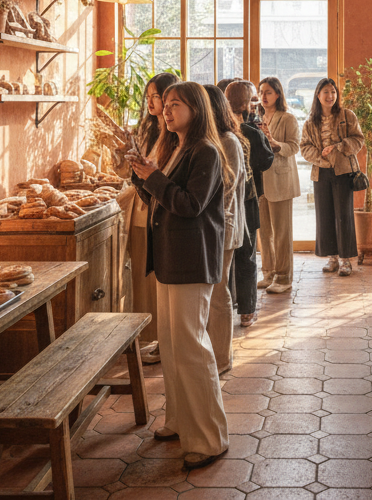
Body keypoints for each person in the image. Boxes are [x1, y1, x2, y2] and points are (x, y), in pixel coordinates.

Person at [127, 81, 230, 470]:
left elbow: (189, 204)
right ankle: (179, 420)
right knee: (170, 344)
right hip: (171, 257)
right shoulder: (176, 147)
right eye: (164, 104)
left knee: (191, 346)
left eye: (175, 104)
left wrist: (154, 178)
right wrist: (143, 176)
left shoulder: (206, 152)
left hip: (191, 259)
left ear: (197, 109)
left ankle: (209, 437)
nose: (166, 111)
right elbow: (160, 197)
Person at [115, 71, 178, 365]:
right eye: (150, 96)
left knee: (155, 283)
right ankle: (151, 337)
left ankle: (162, 340)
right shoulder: (148, 128)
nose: (154, 103)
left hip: (155, 209)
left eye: (160, 97)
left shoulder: (173, 135)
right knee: (141, 280)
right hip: (141, 210)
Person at [300, 77, 365, 276]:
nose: (330, 96)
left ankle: (346, 260)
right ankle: (332, 258)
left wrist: (338, 147)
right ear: (318, 95)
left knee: (343, 216)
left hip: (343, 171)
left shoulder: (347, 115)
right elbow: (304, 147)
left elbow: (358, 140)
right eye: (326, 92)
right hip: (321, 172)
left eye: (333, 92)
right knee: (325, 215)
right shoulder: (310, 121)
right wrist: (321, 157)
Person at [203, 84, 248, 374]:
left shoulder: (228, 140)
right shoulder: (207, 139)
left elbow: (226, 190)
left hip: (223, 226)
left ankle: (222, 357)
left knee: (219, 293)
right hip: (210, 226)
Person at [226, 80, 274, 326]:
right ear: (245, 102)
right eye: (253, 98)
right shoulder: (251, 132)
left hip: (224, 204)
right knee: (247, 254)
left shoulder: (218, 130)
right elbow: (266, 161)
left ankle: (228, 304)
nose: (256, 101)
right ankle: (247, 310)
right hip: (247, 199)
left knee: (227, 256)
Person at [256, 77, 301, 294]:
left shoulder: (288, 118)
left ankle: (284, 277)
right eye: (261, 91)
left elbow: (294, 147)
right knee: (264, 231)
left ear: (278, 94)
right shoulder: (257, 117)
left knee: (282, 232)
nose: (263, 96)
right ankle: (269, 273)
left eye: (268, 92)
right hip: (261, 180)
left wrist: (275, 144)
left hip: (281, 180)